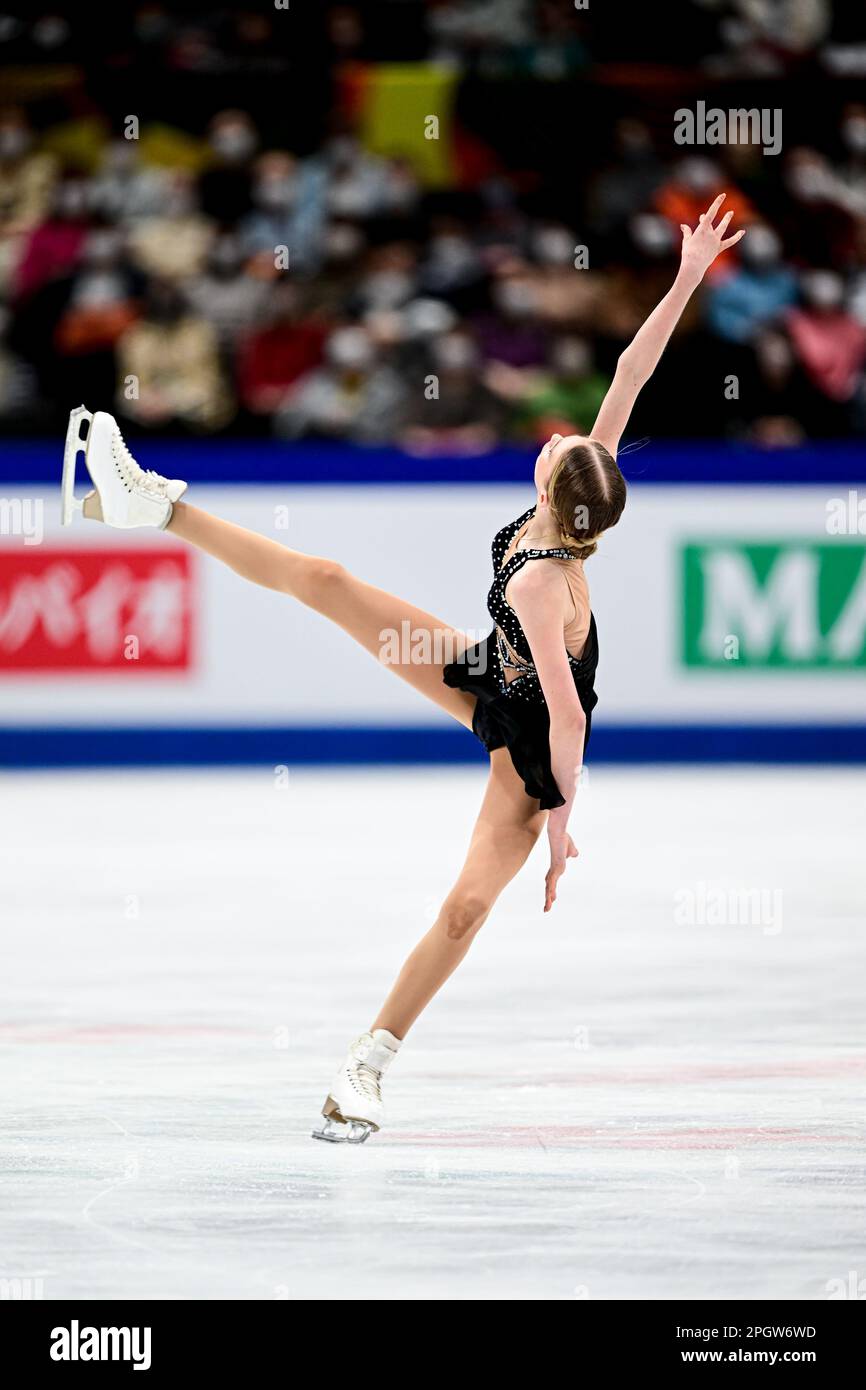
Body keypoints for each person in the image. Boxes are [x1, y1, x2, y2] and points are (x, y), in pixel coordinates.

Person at [59, 195, 744, 1143]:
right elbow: (633, 369)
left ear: (553, 489)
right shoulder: (583, 489)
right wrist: (686, 278)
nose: (556, 435)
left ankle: (366, 1066)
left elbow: (568, 717)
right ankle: (152, 508)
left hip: (533, 747)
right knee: (327, 579)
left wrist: (559, 828)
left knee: (465, 906)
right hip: (478, 672)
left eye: (561, 446)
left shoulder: (550, 584)